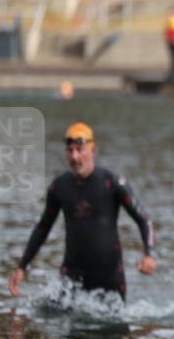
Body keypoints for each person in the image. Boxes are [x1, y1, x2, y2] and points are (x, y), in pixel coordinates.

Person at [9, 122, 156, 300]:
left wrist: (149, 254)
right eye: (70, 150)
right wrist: (22, 266)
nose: (75, 156)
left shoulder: (112, 183)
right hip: (72, 275)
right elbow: (42, 228)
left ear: (92, 151)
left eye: (80, 149)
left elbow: (144, 220)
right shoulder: (59, 186)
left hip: (109, 277)